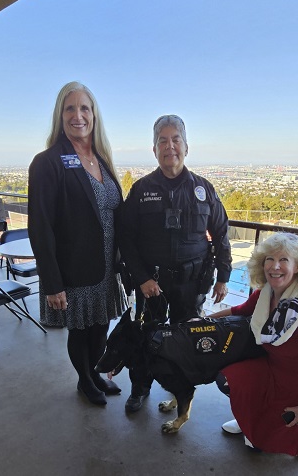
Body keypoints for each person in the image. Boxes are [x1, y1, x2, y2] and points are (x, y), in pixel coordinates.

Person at [119, 114, 232, 412]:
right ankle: (140, 388)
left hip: (191, 283)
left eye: (176, 139)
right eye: (163, 141)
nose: (170, 146)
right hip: (151, 285)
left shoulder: (204, 189)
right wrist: (142, 277)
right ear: (154, 149)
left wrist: (223, 276)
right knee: (146, 338)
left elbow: (221, 233)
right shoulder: (141, 190)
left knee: (186, 340)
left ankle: (180, 392)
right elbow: (126, 239)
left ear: (186, 146)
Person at [28, 81, 125, 406]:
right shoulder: (48, 162)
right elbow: (40, 227)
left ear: (94, 115)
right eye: (70, 108)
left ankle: (95, 373)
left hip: (106, 268)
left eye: (85, 108)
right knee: (80, 332)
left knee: (100, 329)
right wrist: (52, 283)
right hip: (73, 271)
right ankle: (85, 381)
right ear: (61, 115)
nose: (78, 115)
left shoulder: (102, 158)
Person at [210, 232, 298, 458]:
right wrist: (203, 322)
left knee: (258, 444)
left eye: (283, 260)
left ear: (297, 267)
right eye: (269, 259)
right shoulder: (264, 294)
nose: (275, 266)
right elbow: (239, 311)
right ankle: (248, 418)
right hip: (271, 367)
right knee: (228, 377)